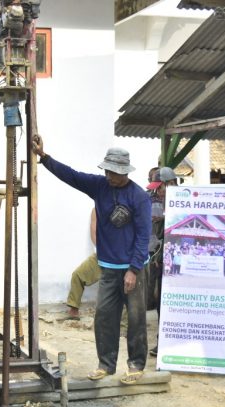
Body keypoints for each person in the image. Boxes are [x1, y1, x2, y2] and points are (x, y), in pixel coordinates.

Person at [31, 135, 151, 385]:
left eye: (113, 172)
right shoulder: (99, 186)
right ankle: (106, 365)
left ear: (124, 172)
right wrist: (44, 158)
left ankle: (136, 365)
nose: (108, 176)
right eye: (106, 171)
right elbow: (72, 176)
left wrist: (133, 269)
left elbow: (143, 236)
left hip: (134, 269)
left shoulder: (139, 196)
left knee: (136, 319)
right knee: (104, 318)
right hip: (108, 268)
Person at [148, 167, 179, 357]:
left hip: (179, 266)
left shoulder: (185, 204)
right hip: (159, 263)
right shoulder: (155, 203)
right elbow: (154, 236)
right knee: (162, 304)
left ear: (170, 184)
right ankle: (164, 343)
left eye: (159, 188)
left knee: (175, 306)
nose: (157, 192)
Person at [65, 209, 101, 319]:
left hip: (121, 258)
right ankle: (74, 310)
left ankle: (123, 322)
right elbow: (93, 233)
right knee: (78, 275)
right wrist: (104, 250)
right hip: (102, 254)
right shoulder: (96, 209)